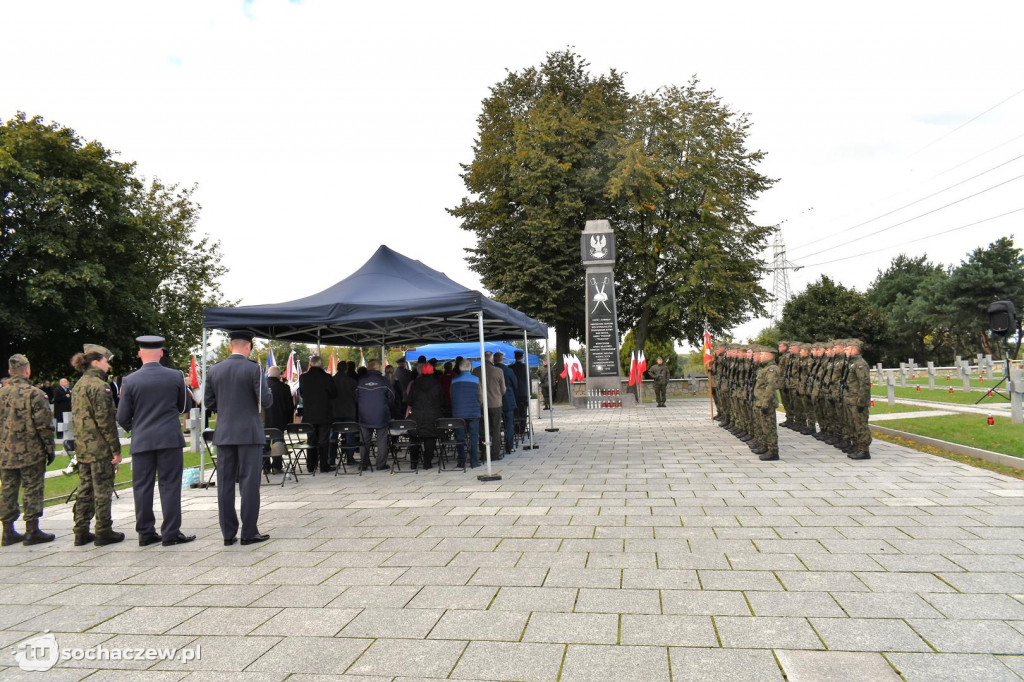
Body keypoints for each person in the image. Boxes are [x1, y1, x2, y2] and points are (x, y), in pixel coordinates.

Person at [116, 336, 195, 547]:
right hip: (169, 438)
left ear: (140, 353)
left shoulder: (129, 380)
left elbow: (122, 416)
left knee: (142, 487)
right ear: (161, 353)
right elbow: (183, 406)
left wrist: (138, 429)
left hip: (142, 440)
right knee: (170, 485)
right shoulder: (175, 376)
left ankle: (145, 532)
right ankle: (170, 533)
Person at [203, 330, 273, 546]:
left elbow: (208, 401)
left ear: (230, 346)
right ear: (248, 347)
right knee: (249, 483)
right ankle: (249, 532)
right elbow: (266, 401)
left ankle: (227, 533)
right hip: (249, 433)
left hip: (224, 433)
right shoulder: (254, 369)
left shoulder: (214, 370)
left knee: (224, 483)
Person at [70, 344, 125, 546]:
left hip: (83, 448)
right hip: (99, 448)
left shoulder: (78, 385)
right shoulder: (99, 386)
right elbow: (105, 421)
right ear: (96, 362)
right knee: (102, 490)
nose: (108, 365)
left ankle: (80, 530)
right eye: (106, 361)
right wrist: (116, 450)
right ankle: (103, 530)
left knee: (84, 489)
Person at [0, 354, 56, 546]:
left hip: (6, 452)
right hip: (30, 451)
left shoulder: (1, 394)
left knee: (7, 489)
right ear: (27, 370)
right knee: (32, 488)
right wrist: (50, 448)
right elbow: (44, 424)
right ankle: (32, 529)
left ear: (10, 371)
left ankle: (7, 531)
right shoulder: (34, 393)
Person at [297, 355, 337, 472]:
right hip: (324, 413)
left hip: (309, 414)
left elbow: (302, 393)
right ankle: (324, 465)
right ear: (320, 364)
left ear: (310, 364)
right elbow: (334, 394)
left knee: (311, 440)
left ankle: (311, 465)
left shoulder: (303, 377)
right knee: (324, 440)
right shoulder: (327, 378)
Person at [356, 360, 394, 470]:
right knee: (381, 441)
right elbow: (392, 397)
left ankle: (363, 464)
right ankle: (380, 465)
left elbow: (356, 397)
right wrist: (386, 407)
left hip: (364, 415)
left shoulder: (361, 381)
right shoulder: (384, 380)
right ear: (378, 367)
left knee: (364, 441)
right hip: (381, 414)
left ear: (368, 367)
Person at [405, 362, 443, 469]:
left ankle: (414, 463)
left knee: (414, 438)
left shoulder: (415, 384)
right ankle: (427, 463)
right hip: (432, 414)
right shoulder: (436, 384)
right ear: (432, 371)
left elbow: (409, 401)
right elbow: (442, 400)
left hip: (417, 415)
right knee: (430, 439)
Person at [472, 351, 505, 461]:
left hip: (481, 405)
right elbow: (503, 390)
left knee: (483, 430)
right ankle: (495, 453)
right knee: (496, 429)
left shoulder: (476, 371)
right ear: (491, 359)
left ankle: (483, 452)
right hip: (495, 404)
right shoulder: (498, 371)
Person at [450, 358, 482, 468]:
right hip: (473, 413)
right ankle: (474, 461)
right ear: (470, 367)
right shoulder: (476, 380)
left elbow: (451, 396)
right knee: (474, 438)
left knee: (460, 438)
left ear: (459, 367)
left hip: (458, 413)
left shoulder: (454, 380)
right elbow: (480, 396)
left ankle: (461, 461)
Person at [843, 339, 872, 460]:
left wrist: (862, 401)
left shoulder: (860, 363)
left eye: (848, 349)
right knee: (852, 424)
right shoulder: (852, 362)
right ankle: (856, 445)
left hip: (857, 400)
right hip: (851, 399)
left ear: (854, 349)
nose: (846, 351)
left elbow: (864, 384)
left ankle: (864, 450)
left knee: (860, 424)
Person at [264, 366, 294, 474]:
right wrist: (289, 422)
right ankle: (277, 466)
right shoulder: (284, 388)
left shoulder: (261, 387)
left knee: (264, 444)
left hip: (264, 422)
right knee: (278, 444)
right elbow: (290, 406)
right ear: (279, 375)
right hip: (279, 423)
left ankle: (265, 466)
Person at [752, 347, 780, 461]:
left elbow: (771, 387)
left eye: (763, 354)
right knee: (763, 426)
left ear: (770, 355)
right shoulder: (765, 368)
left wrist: (765, 403)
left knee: (769, 428)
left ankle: (773, 451)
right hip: (760, 401)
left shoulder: (772, 369)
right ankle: (765, 446)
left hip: (766, 403)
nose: (761, 356)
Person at [330, 362, 358, 466]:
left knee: (333, 436)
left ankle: (331, 459)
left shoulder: (332, 381)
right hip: (349, 411)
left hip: (335, 412)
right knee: (350, 435)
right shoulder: (352, 381)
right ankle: (350, 458)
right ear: (346, 369)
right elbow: (356, 397)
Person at [494, 352, 518, 454]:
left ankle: (496, 447)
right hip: (508, 400)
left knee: (495, 425)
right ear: (502, 359)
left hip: (494, 400)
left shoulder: (491, 371)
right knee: (509, 425)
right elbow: (515, 384)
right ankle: (509, 447)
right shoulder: (508, 370)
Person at [510, 350, 529, 437]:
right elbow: (529, 381)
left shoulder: (511, 368)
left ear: (515, 357)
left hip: (514, 393)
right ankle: (522, 429)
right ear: (522, 357)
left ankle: (516, 429)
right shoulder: (526, 367)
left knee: (515, 412)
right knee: (523, 412)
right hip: (524, 393)